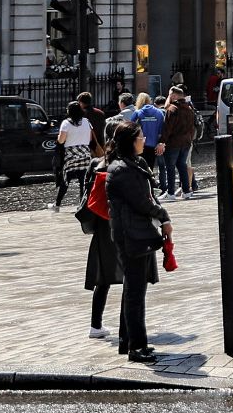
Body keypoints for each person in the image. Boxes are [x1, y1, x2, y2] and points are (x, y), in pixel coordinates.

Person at [104, 121, 170, 363]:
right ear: (131, 140)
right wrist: (164, 218)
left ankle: (130, 341)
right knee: (134, 292)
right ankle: (136, 346)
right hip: (130, 235)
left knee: (136, 290)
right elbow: (143, 202)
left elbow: (149, 195)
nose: (144, 139)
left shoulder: (135, 164)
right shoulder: (121, 169)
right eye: (141, 136)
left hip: (138, 232)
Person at [78, 126, 121, 341]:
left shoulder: (96, 164)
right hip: (122, 226)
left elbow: (85, 195)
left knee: (103, 278)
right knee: (132, 277)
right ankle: (128, 327)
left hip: (102, 227)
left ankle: (96, 325)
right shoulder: (125, 165)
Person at [54, 100, 96, 211]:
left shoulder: (66, 123)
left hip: (71, 155)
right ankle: (82, 205)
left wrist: (59, 138)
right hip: (85, 154)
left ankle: (57, 204)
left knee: (65, 180)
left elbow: (61, 140)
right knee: (83, 181)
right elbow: (91, 138)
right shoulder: (87, 121)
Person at [159, 91, 198, 199]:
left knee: (170, 168)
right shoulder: (189, 109)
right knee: (182, 166)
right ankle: (186, 191)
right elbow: (192, 127)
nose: (169, 96)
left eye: (170, 94)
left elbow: (167, 128)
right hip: (186, 142)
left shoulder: (172, 109)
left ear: (174, 96)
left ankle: (171, 192)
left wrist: (162, 141)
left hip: (173, 143)